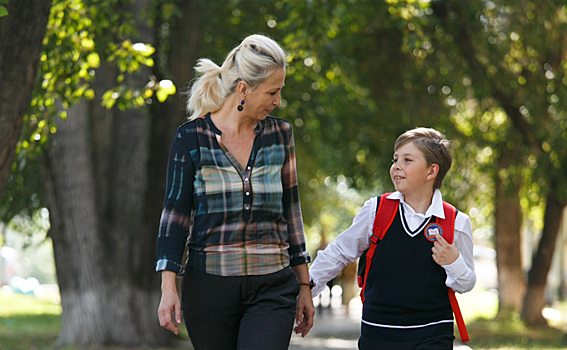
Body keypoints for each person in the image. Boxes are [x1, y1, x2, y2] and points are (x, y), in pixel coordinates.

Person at [156, 34, 314, 349]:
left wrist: (304, 285)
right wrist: (168, 286)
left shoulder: (280, 135)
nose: (278, 101)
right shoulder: (192, 138)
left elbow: (292, 214)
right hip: (209, 290)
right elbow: (175, 217)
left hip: (272, 288)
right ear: (244, 89)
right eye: (272, 92)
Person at [309, 128, 476, 350]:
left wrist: (453, 262)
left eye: (407, 160)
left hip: (433, 333)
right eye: (395, 159)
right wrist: (304, 290)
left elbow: (466, 283)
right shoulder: (376, 210)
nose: (397, 166)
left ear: (431, 171)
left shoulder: (455, 222)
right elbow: (338, 253)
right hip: (378, 333)